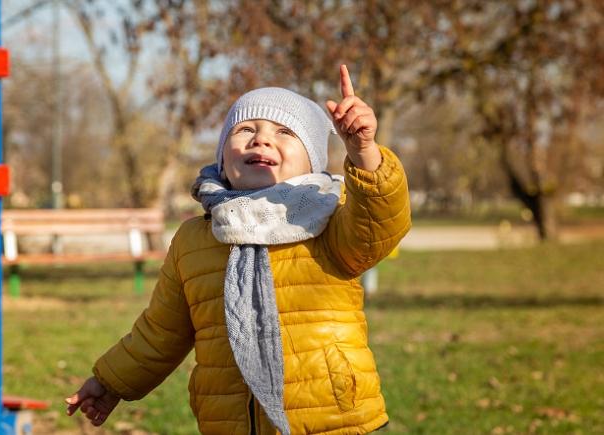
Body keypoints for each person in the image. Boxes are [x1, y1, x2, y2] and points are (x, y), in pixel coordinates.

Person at [66, 65, 411, 435]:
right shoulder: (194, 240)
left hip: (334, 419)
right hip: (229, 422)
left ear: (311, 161)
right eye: (246, 129)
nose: (261, 139)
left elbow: (378, 223)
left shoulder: (328, 219)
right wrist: (110, 381)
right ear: (223, 158)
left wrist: (364, 153)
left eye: (284, 131)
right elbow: (161, 331)